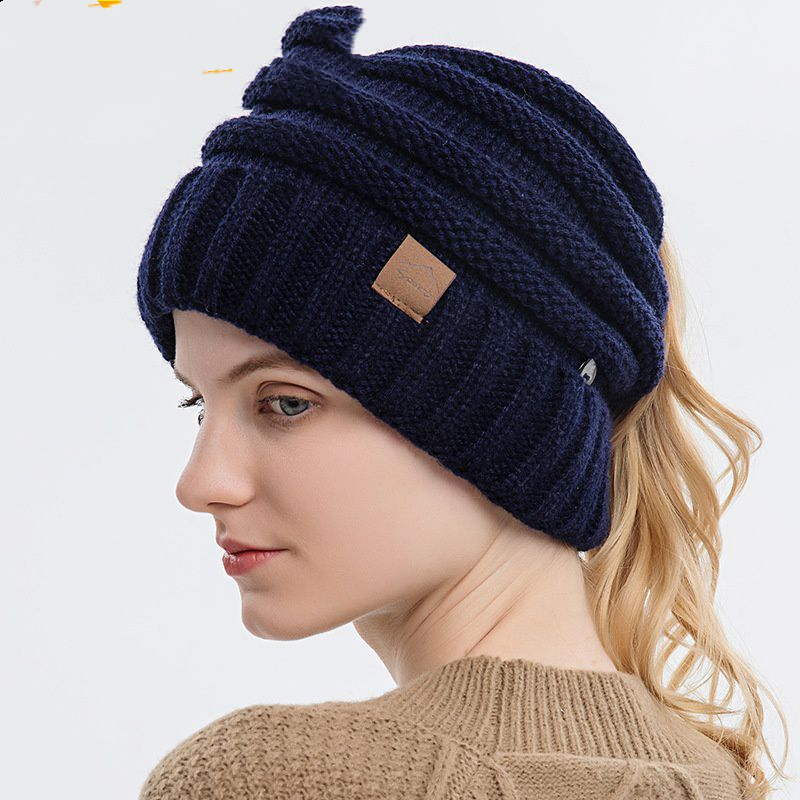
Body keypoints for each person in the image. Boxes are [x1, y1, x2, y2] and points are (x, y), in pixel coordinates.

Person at [134, 5, 789, 799]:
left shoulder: (271, 780)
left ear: (502, 420)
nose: (200, 483)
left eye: (286, 404)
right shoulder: (721, 780)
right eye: (198, 406)